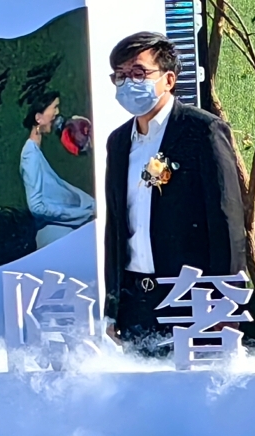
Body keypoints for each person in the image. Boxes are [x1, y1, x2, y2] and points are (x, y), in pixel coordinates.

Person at [102, 32, 246, 354]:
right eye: (120, 75)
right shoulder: (119, 142)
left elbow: (226, 222)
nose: (128, 83)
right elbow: (116, 227)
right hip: (137, 298)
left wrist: (227, 300)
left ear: (168, 79)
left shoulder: (201, 131)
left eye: (138, 73)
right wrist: (113, 306)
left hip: (191, 294)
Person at [20, 90, 95, 249]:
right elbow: (36, 206)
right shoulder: (30, 155)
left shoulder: (36, 151)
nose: (57, 112)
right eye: (54, 107)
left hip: (64, 234)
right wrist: (78, 213)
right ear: (38, 118)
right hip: (57, 238)